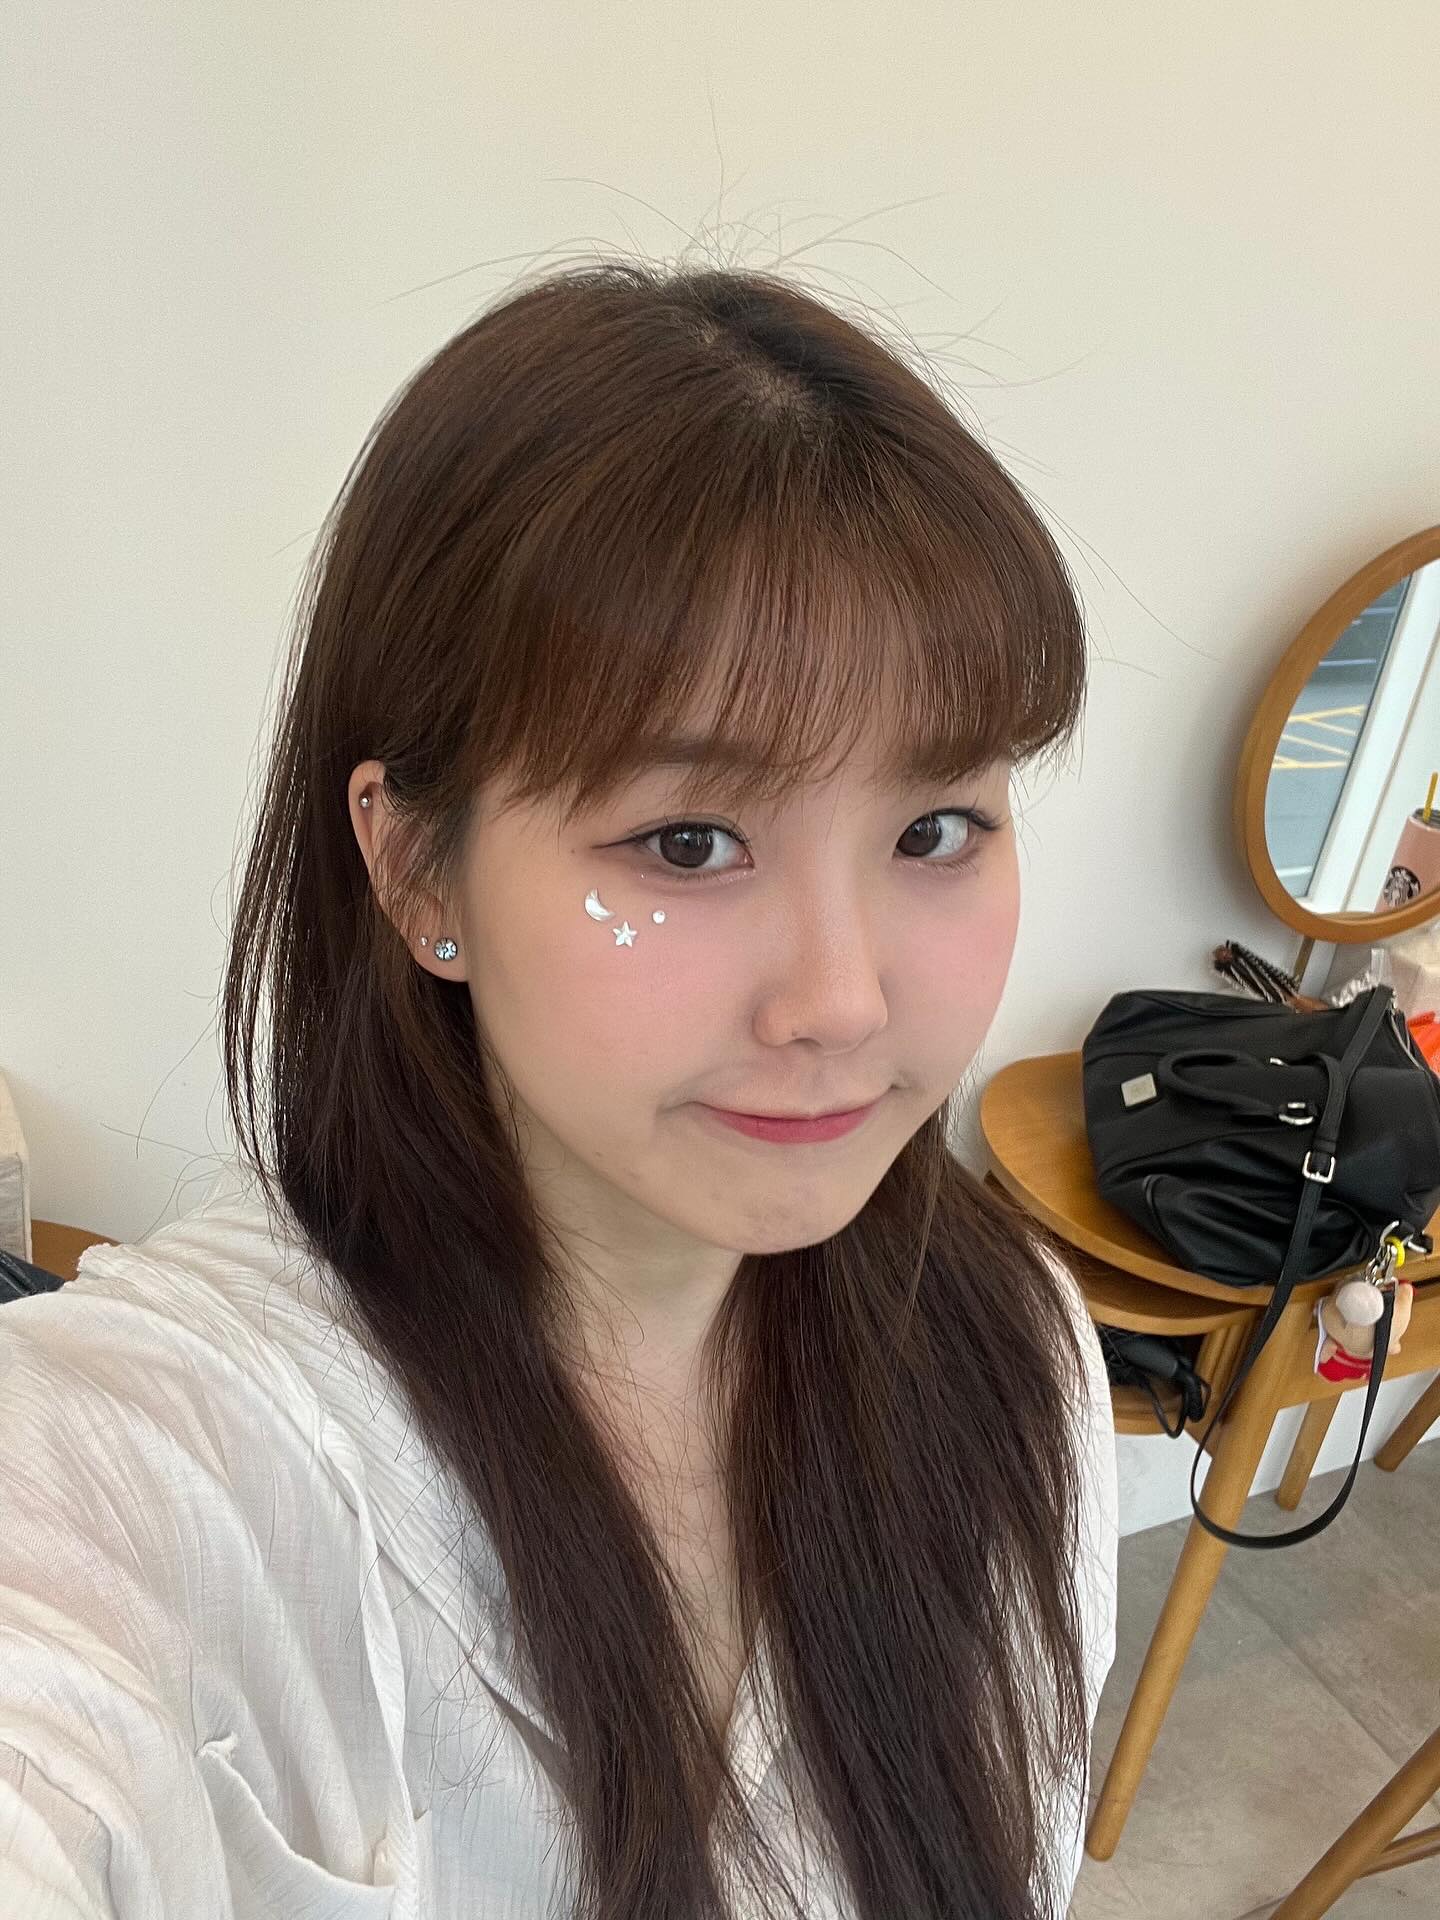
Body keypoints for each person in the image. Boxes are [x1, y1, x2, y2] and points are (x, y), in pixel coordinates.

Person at [0, 258, 1118, 1919]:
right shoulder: (176, 1470)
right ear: (414, 869)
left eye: (934, 828)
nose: (842, 1000)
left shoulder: (1018, 1353)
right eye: (690, 842)